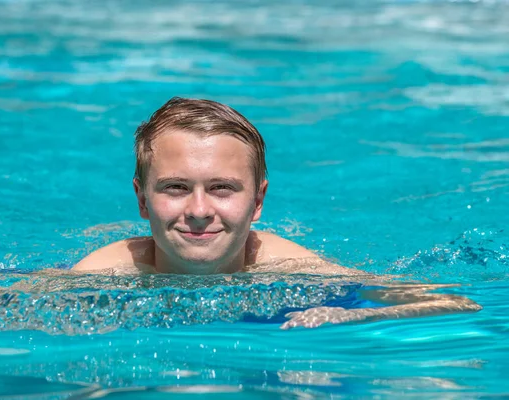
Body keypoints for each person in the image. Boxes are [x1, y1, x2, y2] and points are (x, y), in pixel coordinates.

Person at [73, 97, 481, 328]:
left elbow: (456, 304)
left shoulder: (295, 268)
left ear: (258, 201)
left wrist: (345, 316)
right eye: (176, 188)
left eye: (222, 188)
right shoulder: (99, 275)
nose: (199, 210)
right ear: (143, 201)